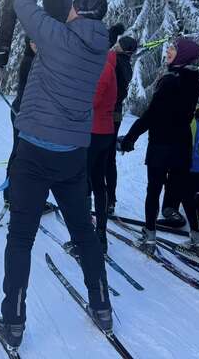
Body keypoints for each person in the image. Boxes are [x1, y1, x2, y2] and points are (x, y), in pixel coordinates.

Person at [0, 0, 112, 350]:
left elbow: (23, 3)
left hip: (34, 152)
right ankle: (102, 305)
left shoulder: (56, 35)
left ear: (76, 11)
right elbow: (60, 50)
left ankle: (13, 319)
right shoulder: (100, 49)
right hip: (72, 155)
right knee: (83, 230)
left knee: (20, 238)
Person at [118, 38, 199, 249]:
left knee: (154, 189)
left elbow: (152, 115)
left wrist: (130, 137)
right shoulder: (193, 80)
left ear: (183, 54)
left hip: (162, 143)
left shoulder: (170, 80)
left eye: (174, 48)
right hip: (182, 143)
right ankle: (197, 236)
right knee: (184, 189)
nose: (169, 51)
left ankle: (149, 234)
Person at [0, 39, 37, 206]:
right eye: (33, 42)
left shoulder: (34, 60)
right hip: (23, 112)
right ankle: (12, 194)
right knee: (20, 153)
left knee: (21, 153)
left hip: (24, 111)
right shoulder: (31, 62)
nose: (37, 45)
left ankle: (13, 193)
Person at [88, 49, 117, 252]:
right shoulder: (106, 65)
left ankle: (92, 233)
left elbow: (92, 101)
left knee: (87, 182)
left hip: (94, 132)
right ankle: (98, 232)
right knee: (97, 182)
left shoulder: (103, 68)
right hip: (102, 131)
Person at [106, 33, 135, 215]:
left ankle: (105, 199)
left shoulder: (115, 61)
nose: (115, 45)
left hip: (107, 113)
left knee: (101, 157)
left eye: (118, 44)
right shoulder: (126, 65)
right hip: (115, 114)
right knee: (109, 158)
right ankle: (110, 199)